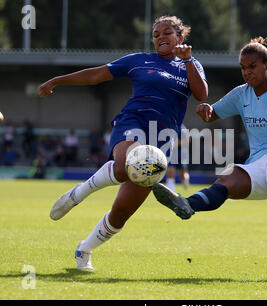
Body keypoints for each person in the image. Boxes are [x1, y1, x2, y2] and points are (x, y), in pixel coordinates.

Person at [38, 15, 208, 271]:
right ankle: (78, 193)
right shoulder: (138, 60)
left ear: (180, 37)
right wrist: (57, 80)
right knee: (124, 165)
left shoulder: (190, 64)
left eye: (167, 33)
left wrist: (188, 60)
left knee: (121, 214)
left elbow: (202, 93)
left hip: (162, 138)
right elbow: (96, 75)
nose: (160, 37)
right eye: (156, 34)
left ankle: (84, 250)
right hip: (133, 122)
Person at [152, 37, 267, 282]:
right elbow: (213, 115)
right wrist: (207, 111)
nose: (246, 72)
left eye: (252, 66)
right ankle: (187, 205)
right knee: (226, 180)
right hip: (257, 161)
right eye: (243, 67)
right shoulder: (241, 94)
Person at [166, 123, 190, 191]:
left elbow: (187, 140)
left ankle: (186, 181)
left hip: (180, 153)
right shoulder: (167, 124)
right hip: (170, 152)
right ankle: (171, 190)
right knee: (170, 169)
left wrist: (175, 144)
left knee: (182, 173)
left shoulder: (181, 127)